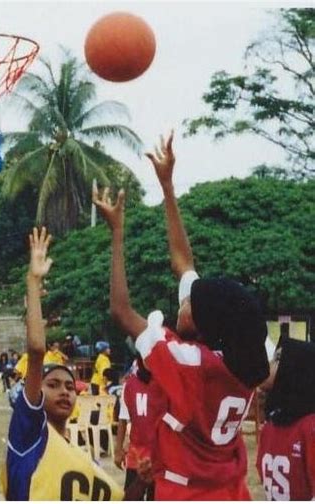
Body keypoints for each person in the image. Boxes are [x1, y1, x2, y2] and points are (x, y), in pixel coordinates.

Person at [93, 131, 269, 500]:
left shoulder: (188, 363)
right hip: (231, 490)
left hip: (186, 491)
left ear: (207, 325)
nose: (183, 301)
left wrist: (117, 234)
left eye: (190, 304)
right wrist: (167, 185)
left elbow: (121, 311)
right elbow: (184, 262)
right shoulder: (244, 357)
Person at [2, 227, 148, 501]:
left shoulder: (83, 459)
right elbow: (36, 350)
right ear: (36, 393)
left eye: (70, 386)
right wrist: (33, 283)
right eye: (54, 385)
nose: (65, 391)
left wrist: (141, 480)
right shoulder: (28, 438)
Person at [256, 337, 315, 500]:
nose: (269, 363)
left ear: (296, 369)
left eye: (278, 359)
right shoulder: (270, 425)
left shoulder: (310, 426)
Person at [115, 355, 161, 500]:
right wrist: (118, 449)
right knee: (132, 496)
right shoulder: (130, 385)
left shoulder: (166, 384)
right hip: (136, 454)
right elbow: (123, 418)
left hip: (161, 456)